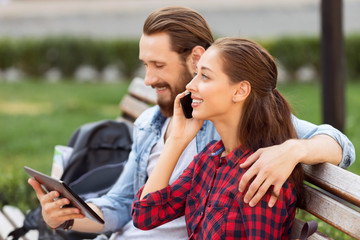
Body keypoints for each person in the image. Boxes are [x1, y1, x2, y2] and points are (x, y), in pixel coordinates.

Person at [28, 6, 355, 240]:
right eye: (145, 65)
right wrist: (67, 217)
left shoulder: (252, 159)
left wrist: (293, 151)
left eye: (157, 65)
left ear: (197, 59)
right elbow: (136, 211)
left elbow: (340, 144)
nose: (147, 79)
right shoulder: (206, 154)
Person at [132, 37, 306, 239]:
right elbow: (145, 215)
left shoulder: (260, 175)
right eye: (196, 74)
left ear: (240, 91)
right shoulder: (210, 158)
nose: (190, 85)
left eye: (204, 76)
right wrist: (176, 140)